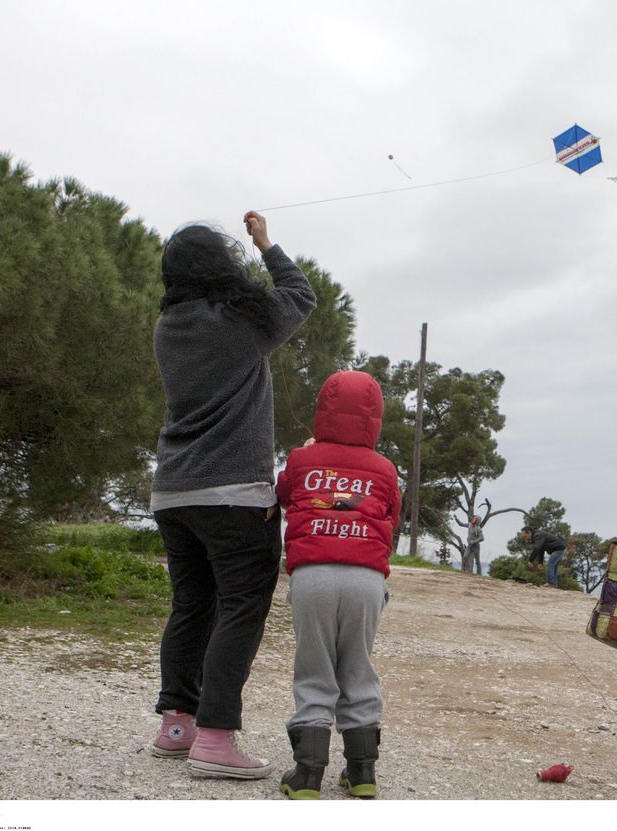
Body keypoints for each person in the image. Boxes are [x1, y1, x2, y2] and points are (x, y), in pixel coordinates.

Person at [148, 212, 317, 778]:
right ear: (223, 265)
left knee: (192, 606)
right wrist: (266, 245)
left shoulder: (167, 327)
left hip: (172, 491)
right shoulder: (242, 320)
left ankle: (178, 724)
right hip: (234, 494)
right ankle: (216, 741)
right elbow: (301, 294)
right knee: (240, 610)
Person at [273, 371, 401, 799]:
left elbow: (284, 494)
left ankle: (307, 775)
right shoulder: (385, 468)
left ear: (322, 410)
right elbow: (391, 518)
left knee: (315, 668)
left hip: (313, 576)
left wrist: (309, 460)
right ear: (375, 418)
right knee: (357, 667)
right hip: (366, 578)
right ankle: (362, 772)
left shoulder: (300, 458)